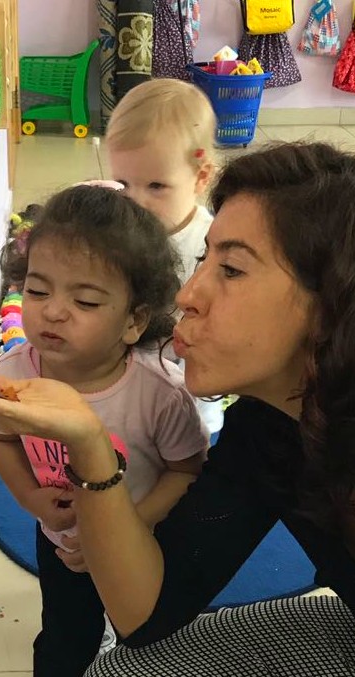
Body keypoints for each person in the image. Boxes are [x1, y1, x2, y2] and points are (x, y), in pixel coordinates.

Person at [0, 142, 355, 676]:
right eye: (203, 261)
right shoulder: (269, 431)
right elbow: (147, 614)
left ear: (339, 303)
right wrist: (90, 443)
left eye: (230, 269)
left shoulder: (168, 401)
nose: (187, 295)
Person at [0, 184, 208, 677]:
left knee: (150, 638)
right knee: (65, 633)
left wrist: (134, 521)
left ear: (134, 321)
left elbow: (187, 470)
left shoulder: (159, 393)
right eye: (38, 290)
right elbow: (1, 438)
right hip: (61, 535)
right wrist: (30, 499)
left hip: (146, 535)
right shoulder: (11, 376)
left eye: (85, 301)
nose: (54, 310)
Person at [105, 78, 224, 436]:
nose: (136, 201)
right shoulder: (120, 228)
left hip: (192, 394)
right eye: (123, 184)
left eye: (156, 186)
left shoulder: (213, 243)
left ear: (201, 177)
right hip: (132, 389)